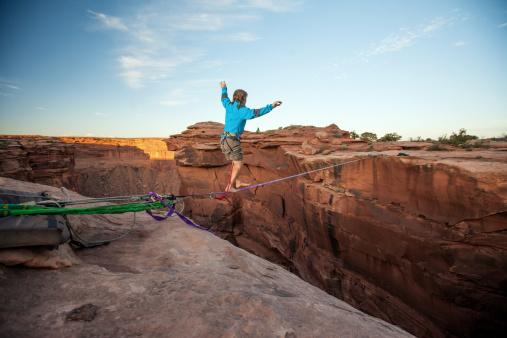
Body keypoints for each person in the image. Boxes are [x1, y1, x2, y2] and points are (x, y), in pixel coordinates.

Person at [219, 81, 282, 192]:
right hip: (232, 141)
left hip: (224, 140)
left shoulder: (228, 105)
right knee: (238, 164)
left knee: (235, 162)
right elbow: (257, 112)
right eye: (246, 99)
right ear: (243, 99)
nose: (246, 101)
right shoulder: (243, 111)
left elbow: (224, 98)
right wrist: (272, 106)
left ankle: (236, 181)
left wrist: (224, 88)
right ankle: (230, 187)